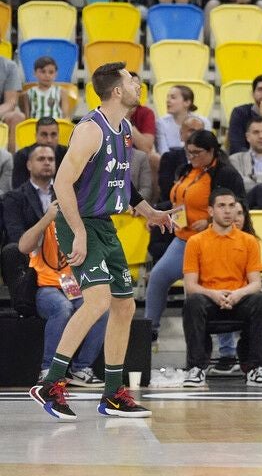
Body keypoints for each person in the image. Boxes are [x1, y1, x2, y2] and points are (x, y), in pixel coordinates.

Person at [30, 62, 178, 420]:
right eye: (131, 79)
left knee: (125, 307)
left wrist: (151, 213)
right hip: (77, 223)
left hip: (104, 225)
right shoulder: (89, 131)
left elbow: (121, 184)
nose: (137, 84)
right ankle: (51, 382)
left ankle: (113, 393)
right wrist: (78, 231)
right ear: (116, 91)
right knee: (96, 302)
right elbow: (61, 184)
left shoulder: (124, 127)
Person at [144, 130, 246, 343]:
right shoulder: (186, 169)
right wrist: (157, 214)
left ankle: (226, 352)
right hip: (183, 239)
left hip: (213, 241)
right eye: (188, 152)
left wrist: (210, 222)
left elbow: (238, 207)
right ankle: (149, 332)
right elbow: (178, 203)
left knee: (215, 289)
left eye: (196, 153)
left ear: (211, 151)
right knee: (158, 277)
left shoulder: (226, 174)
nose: (191, 157)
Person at [180, 188, 262, 388]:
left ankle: (256, 367)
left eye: (232, 206)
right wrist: (213, 294)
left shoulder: (249, 241)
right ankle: (196, 368)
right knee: (193, 302)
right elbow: (190, 285)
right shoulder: (195, 241)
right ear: (211, 211)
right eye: (222, 206)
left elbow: (256, 283)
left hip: (238, 300)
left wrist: (238, 293)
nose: (228, 211)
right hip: (209, 300)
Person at [18, 189, 106, 387]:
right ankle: (48, 369)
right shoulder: (48, 225)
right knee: (62, 308)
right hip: (46, 288)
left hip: (74, 288)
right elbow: (22, 247)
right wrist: (46, 218)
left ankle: (80, 368)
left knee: (100, 310)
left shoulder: (82, 227)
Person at [4, 142, 56, 256]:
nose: (47, 163)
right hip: (30, 256)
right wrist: (48, 218)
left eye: (51, 159)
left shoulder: (66, 194)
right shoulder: (13, 198)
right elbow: (16, 238)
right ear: (29, 165)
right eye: (41, 159)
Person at [12, 116, 67, 188]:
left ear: (58, 135)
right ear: (36, 136)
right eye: (44, 134)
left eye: (53, 134)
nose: (49, 140)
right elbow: (18, 188)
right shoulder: (22, 156)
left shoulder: (67, 154)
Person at [155, 85, 211, 155]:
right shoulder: (161, 123)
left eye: (173, 97)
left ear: (187, 102)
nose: (167, 100)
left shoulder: (203, 122)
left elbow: (206, 151)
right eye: (167, 97)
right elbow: (164, 153)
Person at [24, 55, 72, 120]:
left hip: (56, 127)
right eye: (43, 72)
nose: (47, 75)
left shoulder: (61, 92)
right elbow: (27, 117)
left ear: (56, 74)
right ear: (35, 73)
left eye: (51, 72)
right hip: (35, 128)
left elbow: (66, 116)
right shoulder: (29, 93)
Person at [0, 52, 24, 151]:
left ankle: (11, 161)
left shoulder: (9, 66)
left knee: (17, 117)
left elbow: (11, 102)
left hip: (1, 112)